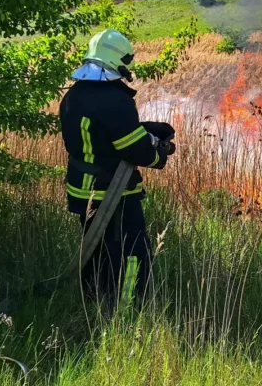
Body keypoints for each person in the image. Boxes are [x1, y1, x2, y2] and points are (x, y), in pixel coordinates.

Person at [58, 29, 175, 312]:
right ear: (118, 61)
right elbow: (136, 151)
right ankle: (128, 308)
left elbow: (104, 135)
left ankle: (93, 304)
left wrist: (145, 130)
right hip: (112, 193)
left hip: (82, 189)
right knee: (133, 253)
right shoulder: (114, 99)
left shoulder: (75, 94)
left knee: (95, 251)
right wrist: (160, 153)